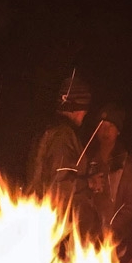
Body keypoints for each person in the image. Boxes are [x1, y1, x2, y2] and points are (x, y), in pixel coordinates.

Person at [82, 104, 132, 253]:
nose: (105, 131)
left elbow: (131, 204)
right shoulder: (86, 160)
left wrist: (111, 230)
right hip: (86, 237)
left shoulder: (126, 164)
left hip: (115, 241)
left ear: (118, 131)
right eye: (101, 126)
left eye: (110, 126)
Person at [25, 73, 91, 205]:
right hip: (56, 215)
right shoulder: (62, 136)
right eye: (85, 109)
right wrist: (89, 182)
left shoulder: (47, 130)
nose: (85, 114)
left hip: (41, 210)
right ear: (77, 108)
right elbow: (60, 184)